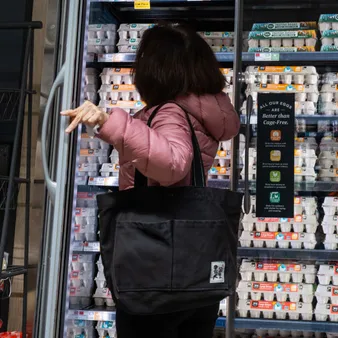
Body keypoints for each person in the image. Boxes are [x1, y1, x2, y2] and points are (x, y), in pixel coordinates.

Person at [62, 24, 240, 337]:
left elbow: (172, 163)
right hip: (194, 274)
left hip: (156, 275)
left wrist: (108, 121)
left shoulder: (170, 112)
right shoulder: (195, 112)